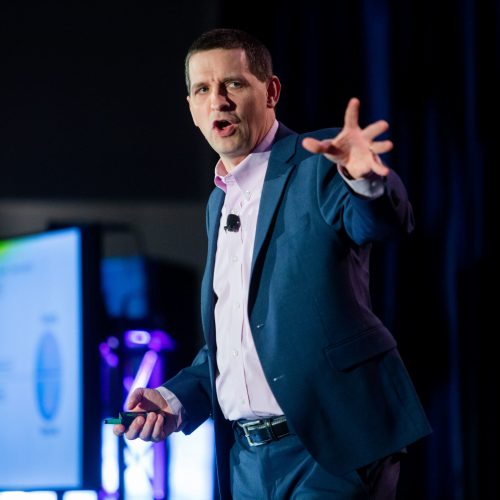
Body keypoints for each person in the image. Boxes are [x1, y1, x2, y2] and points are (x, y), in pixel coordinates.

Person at [113, 27, 432, 499]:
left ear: (271, 91)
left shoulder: (318, 163)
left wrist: (365, 178)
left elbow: (383, 223)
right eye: (203, 89)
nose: (218, 100)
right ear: (192, 110)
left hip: (330, 450)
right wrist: (174, 398)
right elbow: (239, 340)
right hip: (247, 461)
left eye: (234, 84)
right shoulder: (217, 204)